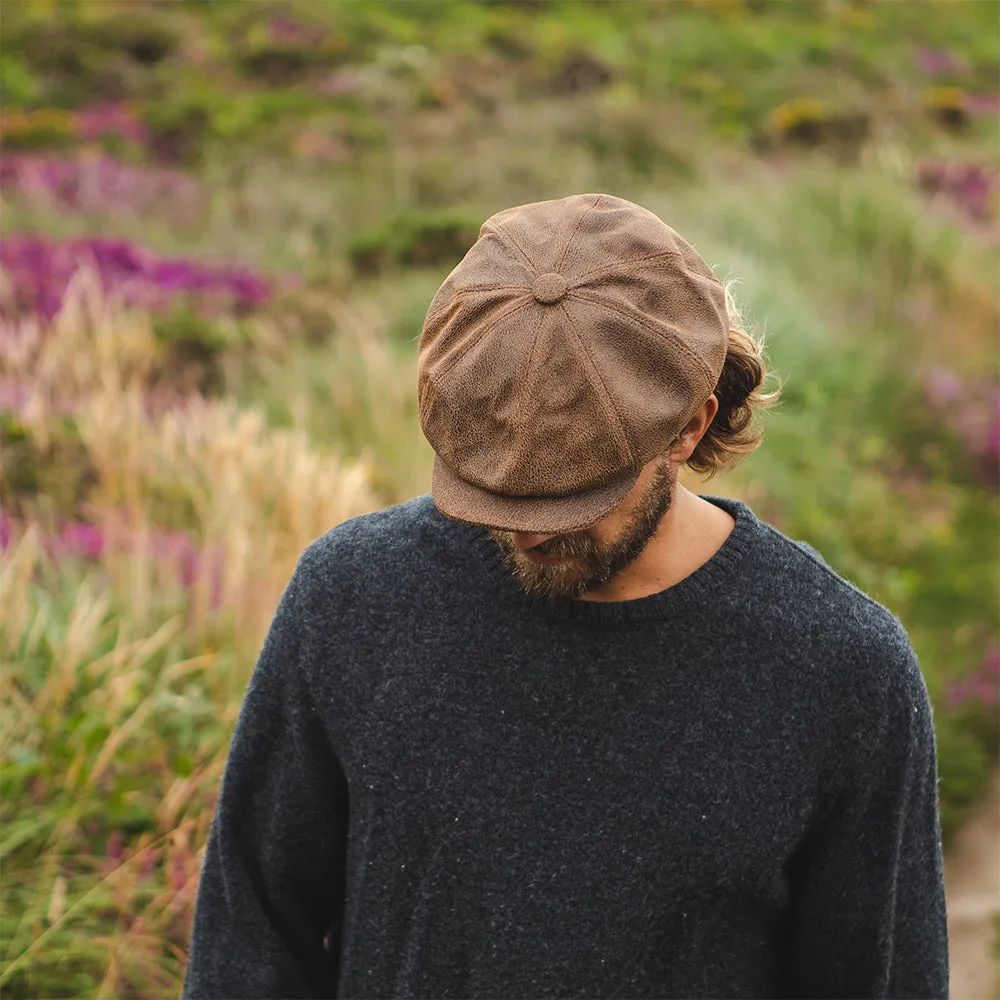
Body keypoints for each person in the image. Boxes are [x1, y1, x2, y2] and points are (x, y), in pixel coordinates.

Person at [182, 193, 949, 999]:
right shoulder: (350, 599)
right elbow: (250, 936)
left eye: (573, 497)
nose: (525, 531)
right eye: (492, 490)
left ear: (691, 426)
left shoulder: (842, 670)